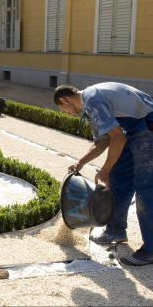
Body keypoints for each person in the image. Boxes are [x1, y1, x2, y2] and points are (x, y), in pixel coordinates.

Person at [54, 82, 153, 266]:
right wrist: (80, 162)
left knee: (146, 188)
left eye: (63, 109)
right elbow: (102, 142)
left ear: (64, 100)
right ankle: (116, 230)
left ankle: (151, 250)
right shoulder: (89, 108)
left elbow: (118, 137)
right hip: (132, 131)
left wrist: (104, 169)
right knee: (119, 179)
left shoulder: (92, 98)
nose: (66, 113)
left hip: (147, 129)